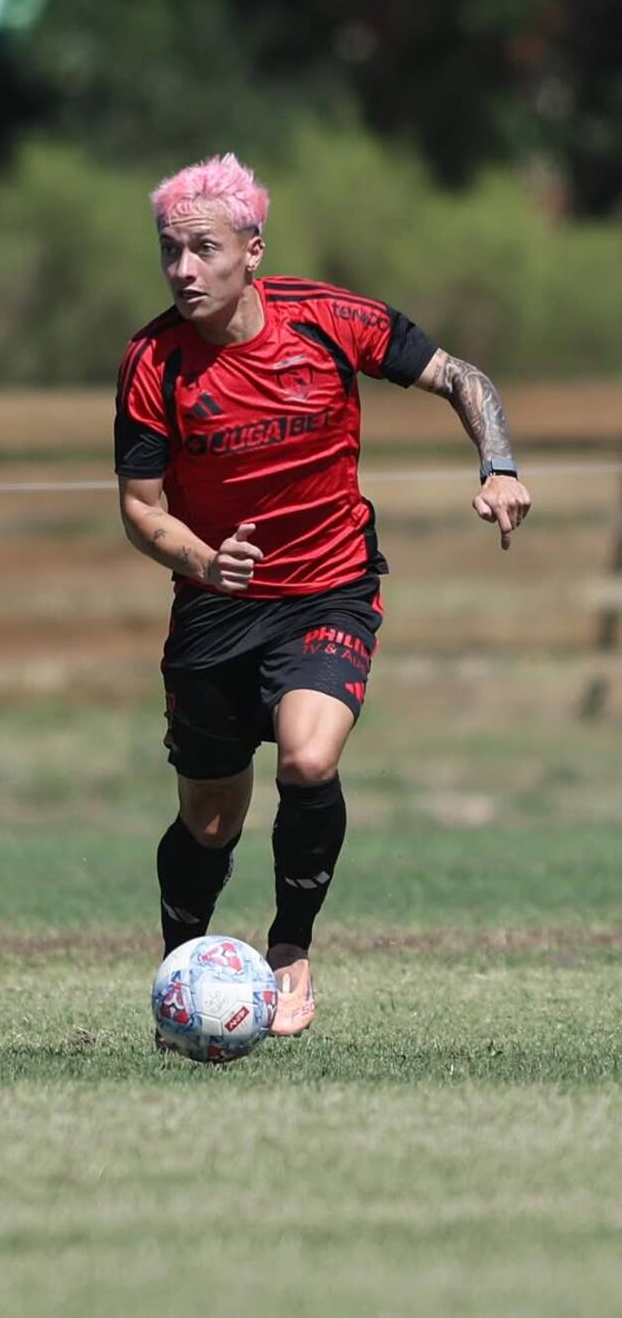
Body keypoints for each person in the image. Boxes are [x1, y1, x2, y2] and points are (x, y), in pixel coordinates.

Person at [114, 154, 530, 1035]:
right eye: (169, 252)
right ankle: (180, 968)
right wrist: (200, 559)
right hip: (215, 606)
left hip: (331, 590)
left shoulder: (331, 320)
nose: (184, 270)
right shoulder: (153, 361)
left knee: (308, 759)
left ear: (252, 249)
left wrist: (497, 465)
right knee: (211, 818)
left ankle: (292, 946)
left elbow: (463, 376)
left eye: (203, 249)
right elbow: (138, 511)